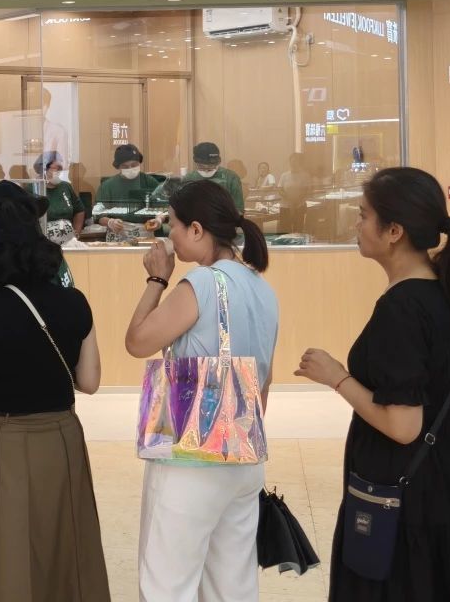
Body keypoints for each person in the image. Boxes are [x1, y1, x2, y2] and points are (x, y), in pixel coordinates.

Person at [295, 167, 450, 602]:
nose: (356, 225)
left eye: (363, 215)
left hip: (408, 498)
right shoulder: (441, 292)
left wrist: (337, 377)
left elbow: (403, 425)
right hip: (449, 480)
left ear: (394, 231)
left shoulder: (403, 309)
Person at [0, 192, 108, 602]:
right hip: (61, 437)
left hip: (3, 440)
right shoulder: (76, 303)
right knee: (62, 542)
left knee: (6, 544)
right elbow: (89, 381)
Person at [124, 179, 278, 602]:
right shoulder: (262, 288)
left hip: (190, 457)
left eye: (173, 225)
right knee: (233, 586)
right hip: (243, 455)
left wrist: (157, 279)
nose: (169, 235)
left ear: (196, 229)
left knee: (167, 585)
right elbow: (263, 381)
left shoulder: (203, 284)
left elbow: (137, 341)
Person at [91, 144, 161, 240]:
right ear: (118, 166)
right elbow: (98, 215)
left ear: (139, 162)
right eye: (125, 166)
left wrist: (159, 219)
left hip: (145, 232)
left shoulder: (149, 182)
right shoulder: (107, 186)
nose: (130, 168)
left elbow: (163, 208)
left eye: (134, 165)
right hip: (118, 234)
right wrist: (110, 222)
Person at [35, 151, 85, 243]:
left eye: (60, 169)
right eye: (56, 168)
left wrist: (76, 234)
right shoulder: (34, 188)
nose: (59, 172)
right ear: (44, 169)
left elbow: (79, 210)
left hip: (67, 243)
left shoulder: (66, 187)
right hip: (43, 243)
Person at [183, 142, 246, 214]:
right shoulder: (188, 179)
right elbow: (182, 208)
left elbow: (238, 210)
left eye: (211, 166)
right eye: (202, 167)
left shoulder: (231, 178)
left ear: (218, 162)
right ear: (196, 163)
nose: (206, 170)